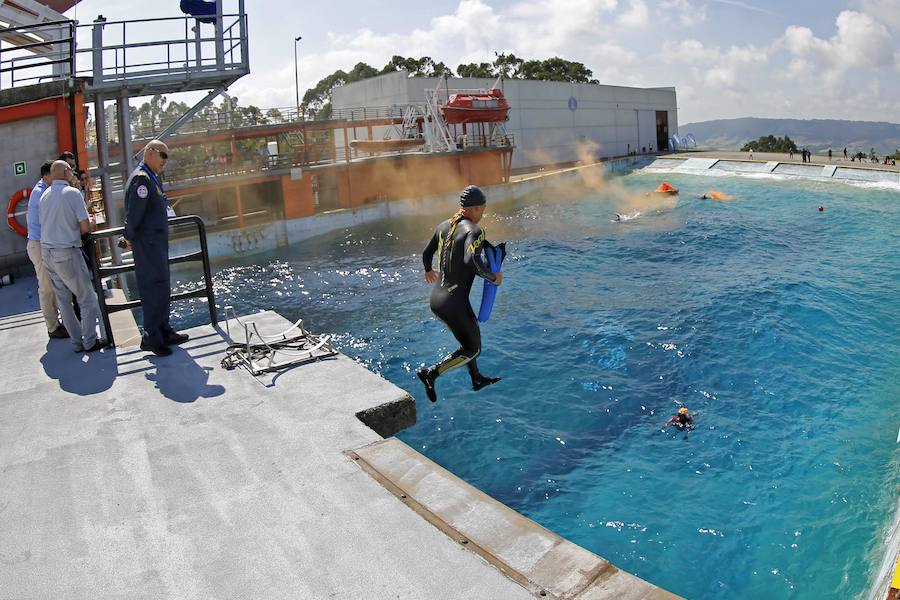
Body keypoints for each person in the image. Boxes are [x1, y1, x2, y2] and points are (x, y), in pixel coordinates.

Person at [416, 185, 503, 403]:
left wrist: (428, 270)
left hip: (438, 300)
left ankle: (476, 379)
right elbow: (470, 261)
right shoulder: (474, 231)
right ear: (475, 209)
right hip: (454, 303)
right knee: (473, 348)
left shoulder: (443, 226)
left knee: (468, 339)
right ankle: (432, 373)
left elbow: (427, 253)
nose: (483, 213)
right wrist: (493, 278)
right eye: (482, 209)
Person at [123, 140, 189, 357]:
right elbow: (135, 214)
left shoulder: (151, 177)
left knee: (162, 288)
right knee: (152, 289)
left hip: (156, 245)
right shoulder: (142, 179)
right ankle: (151, 337)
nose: (165, 162)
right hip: (148, 246)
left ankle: (163, 330)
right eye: (163, 156)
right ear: (150, 153)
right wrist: (128, 237)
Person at [39, 160, 104, 352]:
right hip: (66, 251)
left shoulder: (45, 195)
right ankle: (90, 341)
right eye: (72, 172)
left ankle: (77, 343)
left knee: (64, 301)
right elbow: (84, 227)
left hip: (48, 253)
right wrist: (91, 223)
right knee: (87, 298)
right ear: (66, 172)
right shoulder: (72, 194)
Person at [26, 160, 67, 339]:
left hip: (43, 244)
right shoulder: (41, 193)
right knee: (46, 288)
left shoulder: (43, 190)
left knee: (54, 285)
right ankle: (52, 327)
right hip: (39, 244)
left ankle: (58, 322)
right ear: (46, 176)